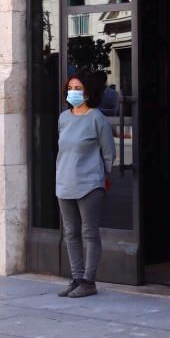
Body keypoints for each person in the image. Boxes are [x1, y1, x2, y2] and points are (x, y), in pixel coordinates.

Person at [56, 71, 116, 298]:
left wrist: (104, 176)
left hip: (89, 183)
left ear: (88, 92)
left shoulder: (96, 118)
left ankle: (89, 281)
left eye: (78, 88)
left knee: (89, 232)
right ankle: (77, 277)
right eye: (70, 88)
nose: (73, 92)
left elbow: (108, 151)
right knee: (71, 233)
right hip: (64, 182)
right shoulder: (64, 117)